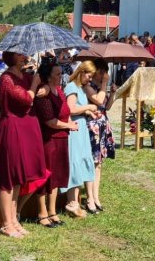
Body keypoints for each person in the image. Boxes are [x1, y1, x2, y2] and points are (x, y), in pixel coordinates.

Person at [0, 52, 48, 238]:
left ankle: (14, 220)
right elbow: (25, 99)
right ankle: (6, 224)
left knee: (18, 178)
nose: (25, 57)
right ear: (12, 57)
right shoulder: (7, 78)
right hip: (13, 127)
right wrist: (34, 86)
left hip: (26, 128)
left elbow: (42, 87)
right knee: (9, 177)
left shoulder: (26, 76)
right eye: (20, 55)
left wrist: (44, 87)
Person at [32, 62, 74, 228]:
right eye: (57, 74)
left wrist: (68, 122)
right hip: (48, 139)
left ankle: (52, 211)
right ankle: (42, 213)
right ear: (48, 77)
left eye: (60, 73)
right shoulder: (43, 93)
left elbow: (65, 110)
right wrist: (69, 125)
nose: (60, 76)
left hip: (62, 138)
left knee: (57, 175)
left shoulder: (59, 91)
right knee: (46, 175)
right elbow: (49, 121)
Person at [62, 61, 98, 216]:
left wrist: (88, 113)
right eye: (89, 76)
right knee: (75, 163)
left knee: (81, 163)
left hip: (81, 129)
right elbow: (70, 109)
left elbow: (78, 108)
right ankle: (72, 203)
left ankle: (75, 202)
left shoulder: (81, 89)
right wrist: (88, 107)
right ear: (82, 72)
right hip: (75, 131)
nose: (90, 79)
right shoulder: (72, 87)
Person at [82, 62, 116, 213]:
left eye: (105, 72)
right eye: (101, 72)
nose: (103, 75)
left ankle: (96, 197)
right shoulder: (88, 86)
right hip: (92, 126)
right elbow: (98, 100)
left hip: (102, 124)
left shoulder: (100, 87)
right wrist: (104, 84)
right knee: (92, 161)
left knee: (99, 163)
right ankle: (89, 197)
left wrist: (113, 93)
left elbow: (106, 106)